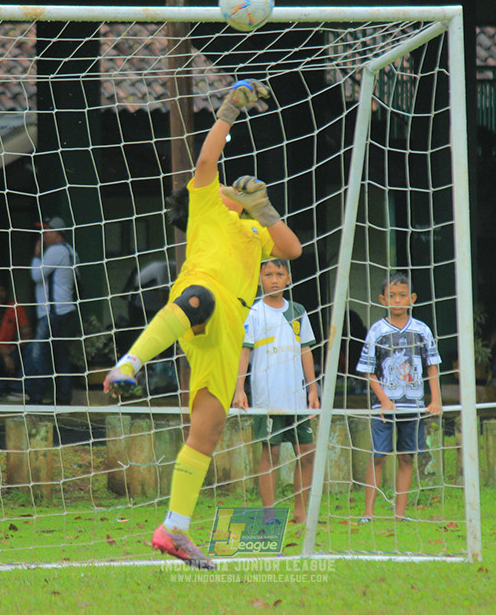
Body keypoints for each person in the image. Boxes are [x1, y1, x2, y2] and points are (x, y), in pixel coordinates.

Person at [103, 79, 303, 569]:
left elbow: (293, 250)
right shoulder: (206, 207)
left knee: (208, 431)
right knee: (201, 298)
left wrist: (264, 209)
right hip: (199, 297)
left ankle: (174, 529)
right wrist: (229, 110)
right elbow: (207, 162)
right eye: (230, 189)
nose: (233, 188)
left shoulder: (254, 230)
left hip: (230, 329)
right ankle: (129, 364)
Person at [233, 259, 319, 524]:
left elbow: (306, 350)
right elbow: (244, 352)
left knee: (307, 452)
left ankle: (301, 511)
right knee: (271, 453)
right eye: (268, 274)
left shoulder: (297, 311)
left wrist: (313, 390)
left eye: (279, 274)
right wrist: (239, 389)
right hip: (267, 396)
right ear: (259, 280)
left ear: (288, 278)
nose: (273, 279)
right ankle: (269, 513)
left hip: (296, 397)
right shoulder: (253, 312)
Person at [357, 272, 442, 524]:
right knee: (378, 456)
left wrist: (435, 400)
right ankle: (368, 514)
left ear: (412, 298)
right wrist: (384, 400)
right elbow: (368, 371)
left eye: (402, 295)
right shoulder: (377, 331)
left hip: (413, 406)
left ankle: (400, 514)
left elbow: (432, 366)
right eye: (392, 296)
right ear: (383, 299)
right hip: (384, 408)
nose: (397, 300)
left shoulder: (422, 330)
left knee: (407, 457)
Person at [28, 216, 81, 405]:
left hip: (53, 312)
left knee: (39, 354)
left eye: (46, 231)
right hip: (66, 310)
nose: (42, 235)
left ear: (56, 232)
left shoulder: (55, 251)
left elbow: (36, 275)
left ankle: (36, 398)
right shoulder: (70, 251)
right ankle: (63, 398)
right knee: (61, 357)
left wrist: (36, 255)